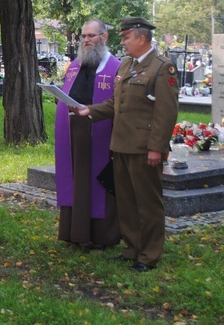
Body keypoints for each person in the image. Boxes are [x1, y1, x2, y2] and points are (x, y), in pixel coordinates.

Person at [74, 17, 179, 272]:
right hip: (120, 144)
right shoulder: (126, 66)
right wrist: (90, 110)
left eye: (126, 37)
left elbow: (166, 114)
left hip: (144, 148)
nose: (122, 42)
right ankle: (132, 248)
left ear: (142, 38)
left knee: (147, 202)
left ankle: (149, 255)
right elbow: (114, 104)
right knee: (127, 202)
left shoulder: (162, 68)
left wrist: (157, 147)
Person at [54, 19, 120, 249]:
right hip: (73, 133)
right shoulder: (73, 66)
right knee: (74, 181)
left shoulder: (116, 68)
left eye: (91, 36)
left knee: (96, 184)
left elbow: (118, 104)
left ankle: (100, 236)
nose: (86, 40)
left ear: (105, 37)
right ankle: (74, 231)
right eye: (83, 36)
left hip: (99, 134)